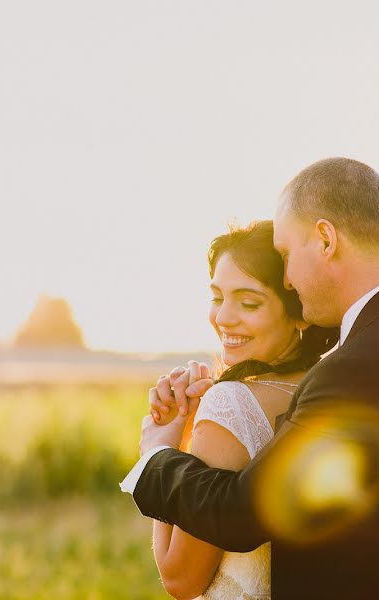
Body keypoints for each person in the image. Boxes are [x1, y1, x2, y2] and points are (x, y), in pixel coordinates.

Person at [121, 157, 379, 599]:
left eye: (285, 255)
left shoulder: (359, 367)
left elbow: (242, 513)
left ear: (324, 240)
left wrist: (156, 454)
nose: (289, 279)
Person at [148, 221, 338, 598]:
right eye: (217, 297)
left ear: (299, 310)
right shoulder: (330, 390)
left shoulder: (230, 404)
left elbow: (180, 578)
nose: (223, 317)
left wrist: (159, 452)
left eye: (249, 302)